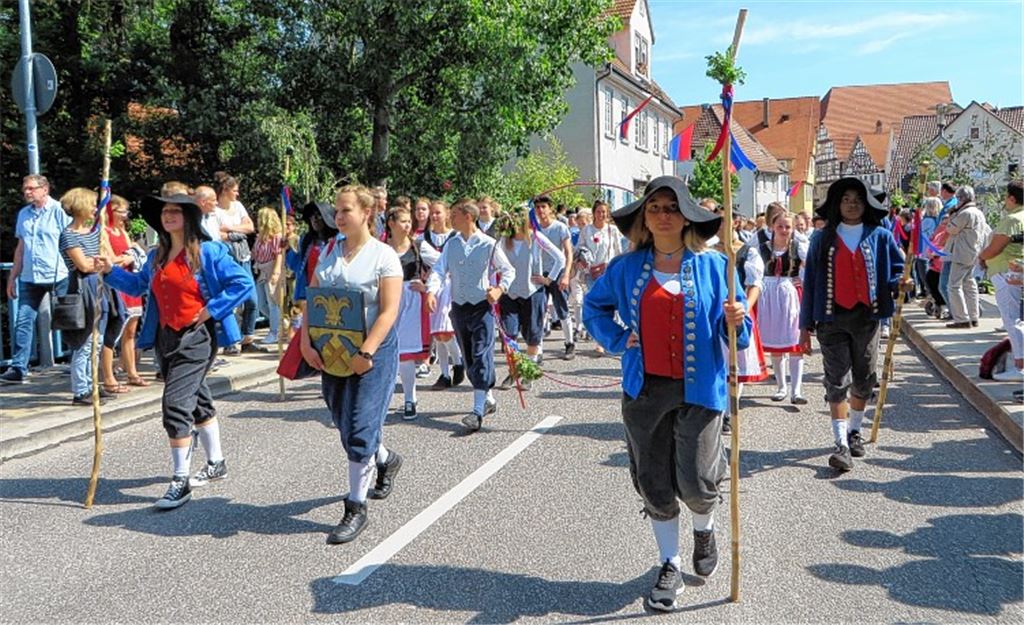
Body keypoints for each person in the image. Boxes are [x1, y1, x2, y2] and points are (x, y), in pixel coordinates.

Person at [583, 175, 749, 612]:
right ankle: (669, 563)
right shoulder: (626, 267)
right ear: (644, 216)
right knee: (653, 483)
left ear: (687, 216)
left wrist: (737, 317)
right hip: (645, 390)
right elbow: (593, 306)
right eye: (653, 207)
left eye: (670, 207)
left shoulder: (715, 266)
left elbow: (740, 336)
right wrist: (619, 340)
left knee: (695, 481)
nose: (661, 215)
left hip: (701, 387)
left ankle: (704, 527)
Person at [99, 192, 255, 508]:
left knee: (175, 404)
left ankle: (180, 480)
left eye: (176, 211)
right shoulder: (158, 254)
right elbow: (137, 286)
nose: (169, 216)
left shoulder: (208, 252)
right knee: (197, 400)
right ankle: (216, 463)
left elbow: (243, 284)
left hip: (197, 336)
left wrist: (213, 309)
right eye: (165, 212)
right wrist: (108, 270)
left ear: (189, 217)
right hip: (165, 337)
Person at [301, 184, 403, 543]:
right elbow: (311, 300)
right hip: (331, 352)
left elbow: (390, 311)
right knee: (344, 425)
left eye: (346, 211)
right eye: (338, 211)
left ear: (366, 214)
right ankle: (386, 458)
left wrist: (366, 353)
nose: (339, 217)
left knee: (360, 429)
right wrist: (305, 344)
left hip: (372, 353)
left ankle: (355, 508)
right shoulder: (329, 250)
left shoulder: (384, 256)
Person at [799, 177, 907, 472]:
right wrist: (804, 326)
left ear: (866, 203)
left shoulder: (880, 235)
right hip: (831, 318)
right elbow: (810, 284)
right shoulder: (822, 238)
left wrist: (901, 282)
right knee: (837, 380)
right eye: (846, 199)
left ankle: (854, 430)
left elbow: (896, 271)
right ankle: (840, 444)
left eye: (857, 199)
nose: (851, 204)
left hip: (867, 318)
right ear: (837, 203)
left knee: (864, 378)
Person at [426, 199, 515, 432]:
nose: (450, 218)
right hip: (459, 307)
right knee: (469, 358)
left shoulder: (488, 244)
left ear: (467, 216)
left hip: (481, 308)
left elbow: (508, 271)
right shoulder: (451, 244)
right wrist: (431, 291)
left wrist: (499, 289)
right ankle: (488, 397)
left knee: (481, 353)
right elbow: (438, 270)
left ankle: (477, 411)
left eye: (454, 214)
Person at [1, 175, 72, 385]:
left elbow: (70, 240)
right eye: (25, 189)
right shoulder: (24, 214)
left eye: (31, 189)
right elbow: (21, 249)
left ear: (45, 190)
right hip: (30, 276)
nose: (27, 192)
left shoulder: (59, 210)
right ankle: (18, 367)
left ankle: (75, 360)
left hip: (58, 273)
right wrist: (12, 277)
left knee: (67, 319)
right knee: (23, 321)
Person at [58, 188, 122, 405]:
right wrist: (101, 263)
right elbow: (84, 265)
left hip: (100, 287)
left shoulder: (95, 232)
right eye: (92, 205)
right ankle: (80, 389)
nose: (96, 209)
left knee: (99, 340)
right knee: (85, 343)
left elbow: (106, 258)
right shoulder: (68, 235)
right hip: (84, 288)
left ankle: (94, 383)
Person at [493, 205, 564, 391]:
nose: (514, 222)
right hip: (510, 293)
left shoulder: (536, 238)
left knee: (532, 334)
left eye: (518, 218)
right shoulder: (502, 241)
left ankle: (528, 373)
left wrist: (549, 279)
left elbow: (560, 258)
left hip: (533, 292)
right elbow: (492, 260)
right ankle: (514, 370)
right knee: (509, 333)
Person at [714, 214, 767, 434]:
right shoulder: (708, 251)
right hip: (714, 313)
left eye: (723, 222)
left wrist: (744, 309)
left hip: (737, 312)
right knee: (718, 362)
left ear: (734, 223)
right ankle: (719, 408)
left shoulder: (747, 251)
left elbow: (755, 284)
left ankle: (729, 411)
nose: (719, 227)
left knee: (737, 363)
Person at [386, 206, 440, 419]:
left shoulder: (418, 245)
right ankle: (387, 398)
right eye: (403, 221)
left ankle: (409, 399)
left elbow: (441, 264)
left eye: (409, 221)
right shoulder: (381, 248)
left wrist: (428, 287)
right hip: (388, 300)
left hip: (410, 300)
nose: (408, 225)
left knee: (405, 352)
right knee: (389, 352)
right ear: (391, 223)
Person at [759, 211, 809, 404]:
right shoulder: (762, 248)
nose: (784, 230)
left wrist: (802, 281)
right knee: (776, 345)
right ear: (772, 227)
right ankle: (781, 387)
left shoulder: (799, 247)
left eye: (788, 226)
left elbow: (812, 266)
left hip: (790, 294)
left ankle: (796, 391)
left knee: (795, 343)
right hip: (768, 295)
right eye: (780, 226)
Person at [978, 181, 1024, 381]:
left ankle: (1019, 365)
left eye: (1006, 196)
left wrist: (982, 256)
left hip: (1007, 271)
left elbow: (995, 248)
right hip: (1015, 269)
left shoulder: (1012, 220)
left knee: (1011, 319)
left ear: (1012, 198)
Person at [102, 194, 147, 392]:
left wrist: (131, 255)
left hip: (130, 282)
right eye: (121, 212)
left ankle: (132, 371)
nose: (125, 216)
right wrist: (128, 257)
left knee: (131, 330)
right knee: (113, 332)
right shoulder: (103, 231)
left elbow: (130, 252)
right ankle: (108, 376)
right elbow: (109, 260)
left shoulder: (122, 230)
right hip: (116, 282)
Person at [421, 200, 465, 389]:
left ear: (447, 214)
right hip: (432, 286)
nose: (434, 216)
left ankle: (459, 362)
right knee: (437, 333)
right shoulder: (425, 237)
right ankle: (445, 374)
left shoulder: (455, 236)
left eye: (438, 213)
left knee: (446, 330)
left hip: (451, 285)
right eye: (433, 213)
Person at [214, 171, 258, 354]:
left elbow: (250, 228)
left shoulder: (238, 206)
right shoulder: (215, 211)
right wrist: (238, 233)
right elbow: (217, 235)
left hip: (244, 257)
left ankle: (247, 337)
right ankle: (230, 340)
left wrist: (230, 230)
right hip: (227, 259)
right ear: (225, 190)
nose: (237, 194)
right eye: (235, 190)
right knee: (230, 301)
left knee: (252, 300)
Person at [534, 195, 576, 360]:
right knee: (539, 310)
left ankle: (569, 342)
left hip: (557, 272)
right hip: (540, 273)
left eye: (543, 207)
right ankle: (539, 350)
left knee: (561, 308)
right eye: (537, 207)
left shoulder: (560, 227)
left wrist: (566, 274)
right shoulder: (534, 228)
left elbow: (568, 252)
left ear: (550, 208)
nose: (540, 210)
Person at [944, 186, 986, 328]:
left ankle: (961, 318)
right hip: (974, 251)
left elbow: (951, 229)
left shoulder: (965, 214)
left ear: (961, 199)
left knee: (953, 285)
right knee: (970, 284)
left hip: (962, 253)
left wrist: (952, 216)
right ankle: (974, 317)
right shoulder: (979, 213)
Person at [252, 207, 285, 347]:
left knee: (273, 302)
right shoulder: (260, 236)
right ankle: (282, 322)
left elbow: (279, 254)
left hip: (271, 268)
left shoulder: (277, 236)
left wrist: (276, 272)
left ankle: (274, 332)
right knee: (261, 303)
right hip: (260, 270)